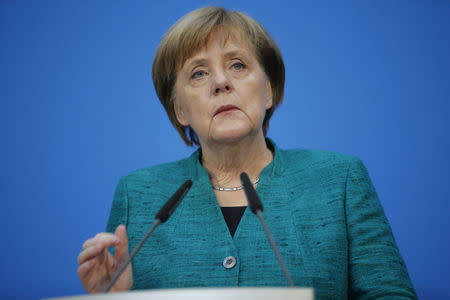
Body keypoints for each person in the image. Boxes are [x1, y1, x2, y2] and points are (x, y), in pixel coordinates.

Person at [77, 6, 418, 299]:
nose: (221, 82)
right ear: (180, 109)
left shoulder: (339, 180)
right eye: (199, 73)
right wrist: (111, 299)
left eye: (238, 65)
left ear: (268, 91)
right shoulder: (137, 194)